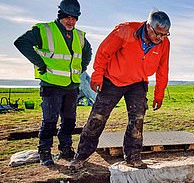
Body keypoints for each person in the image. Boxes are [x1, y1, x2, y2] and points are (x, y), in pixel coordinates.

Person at [68, 10, 171, 170]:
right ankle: (81, 156)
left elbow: (163, 69)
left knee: (137, 120)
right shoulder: (125, 30)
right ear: (148, 26)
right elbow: (104, 52)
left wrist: (159, 93)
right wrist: (97, 76)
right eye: (158, 34)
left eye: (165, 35)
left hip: (138, 82)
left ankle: (133, 157)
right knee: (98, 117)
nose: (161, 38)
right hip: (113, 80)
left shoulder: (164, 43)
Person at [14, 0, 92, 166]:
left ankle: (65, 149)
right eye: (68, 17)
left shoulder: (79, 35)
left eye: (74, 18)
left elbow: (87, 51)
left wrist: (82, 67)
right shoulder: (45, 30)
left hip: (72, 85)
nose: (71, 21)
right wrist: (40, 63)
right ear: (60, 15)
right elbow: (21, 42)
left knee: (69, 120)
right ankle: (44, 152)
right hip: (51, 84)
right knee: (50, 120)